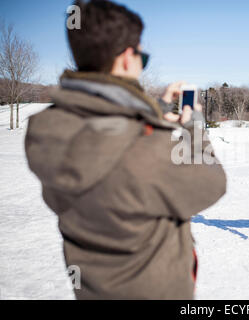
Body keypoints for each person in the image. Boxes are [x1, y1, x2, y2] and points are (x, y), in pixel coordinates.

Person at [24, 0, 226, 299]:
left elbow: (103, 127)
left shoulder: (48, 130)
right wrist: (194, 125)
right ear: (127, 57)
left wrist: (154, 110)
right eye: (141, 55)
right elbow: (212, 183)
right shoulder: (146, 148)